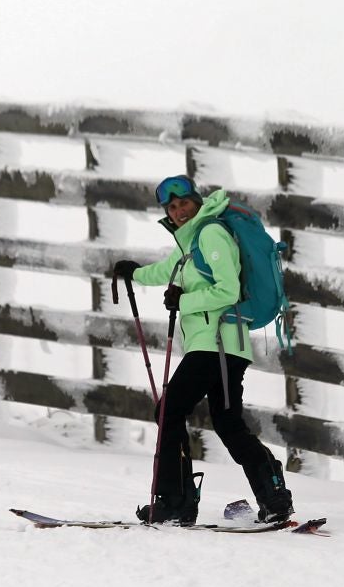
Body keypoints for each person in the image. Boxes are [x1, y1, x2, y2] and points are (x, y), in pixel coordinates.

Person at [111, 175, 294, 524]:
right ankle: (274, 496)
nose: (179, 211)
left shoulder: (210, 234)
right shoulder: (189, 245)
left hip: (217, 342)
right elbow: (165, 271)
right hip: (226, 344)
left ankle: (174, 501)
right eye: (172, 207)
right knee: (227, 422)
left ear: (196, 201)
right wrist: (133, 274)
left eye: (184, 203)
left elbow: (227, 290)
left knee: (169, 411)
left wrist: (186, 300)